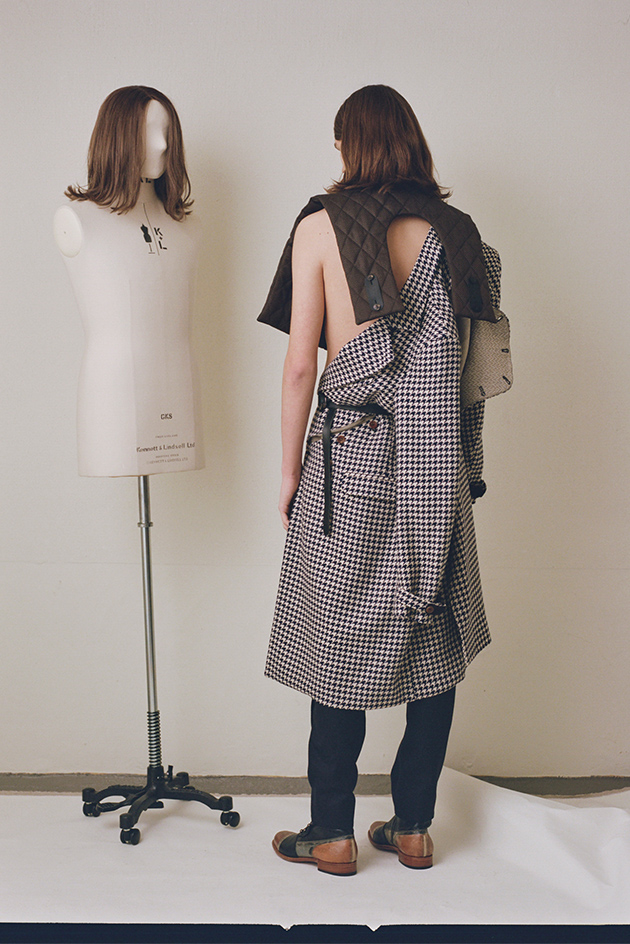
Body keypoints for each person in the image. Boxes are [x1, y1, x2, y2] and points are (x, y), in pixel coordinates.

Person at [258, 85, 511, 876]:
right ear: (412, 143)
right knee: (432, 630)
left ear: (348, 147)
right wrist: (467, 465)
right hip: (438, 459)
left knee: (338, 634)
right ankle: (412, 826)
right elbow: (474, 375)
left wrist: (290, 470)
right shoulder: (462, 235)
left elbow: (300, 367)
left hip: (353, 456)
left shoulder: (319, 227)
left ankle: (331, 831)